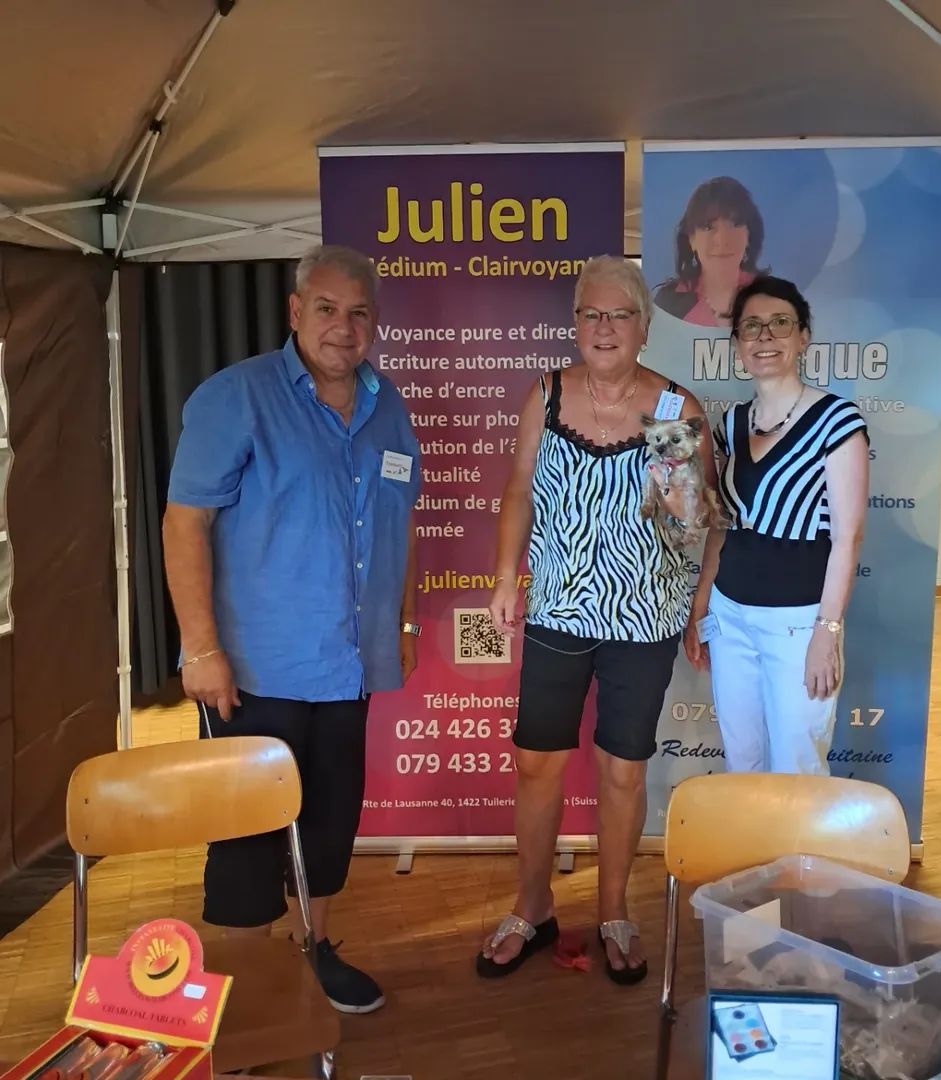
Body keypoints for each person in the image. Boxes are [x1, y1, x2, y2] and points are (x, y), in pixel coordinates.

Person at [162, 244, 421, 1015]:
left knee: (330, 822)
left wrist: (403, 620)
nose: (344, 327)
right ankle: (245, 994)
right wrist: (200, 648)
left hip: (348, 666)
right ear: (295, 311)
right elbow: (184, 524)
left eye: (359, 313)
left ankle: (313, 953)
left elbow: (400, 520)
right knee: (246, 835)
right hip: (253, 669)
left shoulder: (387, 405)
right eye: (327, 309)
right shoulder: (235, 397)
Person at [476, 255, 717, 984]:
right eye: (592, 313)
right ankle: (532, 905)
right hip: (557, 608)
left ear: (644, 327)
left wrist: (681, 499)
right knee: (536, 761)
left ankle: (613, 910)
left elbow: (692, 525)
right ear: (575, 323)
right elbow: (519, 489)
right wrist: (505, 576)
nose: (605, 327)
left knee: (622, 769)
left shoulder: (674, 408)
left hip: (642, 617)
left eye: (621, 314)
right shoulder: (547, 393)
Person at [685, 276, 869, 774]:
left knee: (797, 767)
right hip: (730, 617)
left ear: (803, 337)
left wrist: (827, 633)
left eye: (780, 323)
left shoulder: (837, 421)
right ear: (737, 344)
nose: (765, 336)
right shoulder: (731, 423)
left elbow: (848, 537)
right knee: (742, 761)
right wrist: (702, 605)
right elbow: (721, 523)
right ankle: (749, 837)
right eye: (752, 326)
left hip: (798, 623)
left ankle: (796, 840)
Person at [653, 176, 768, 328]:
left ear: (749, 235)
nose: (722, 240)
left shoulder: (772, 295)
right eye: (708, 227)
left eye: (734, 224)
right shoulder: (667, 302)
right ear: (691, 239)